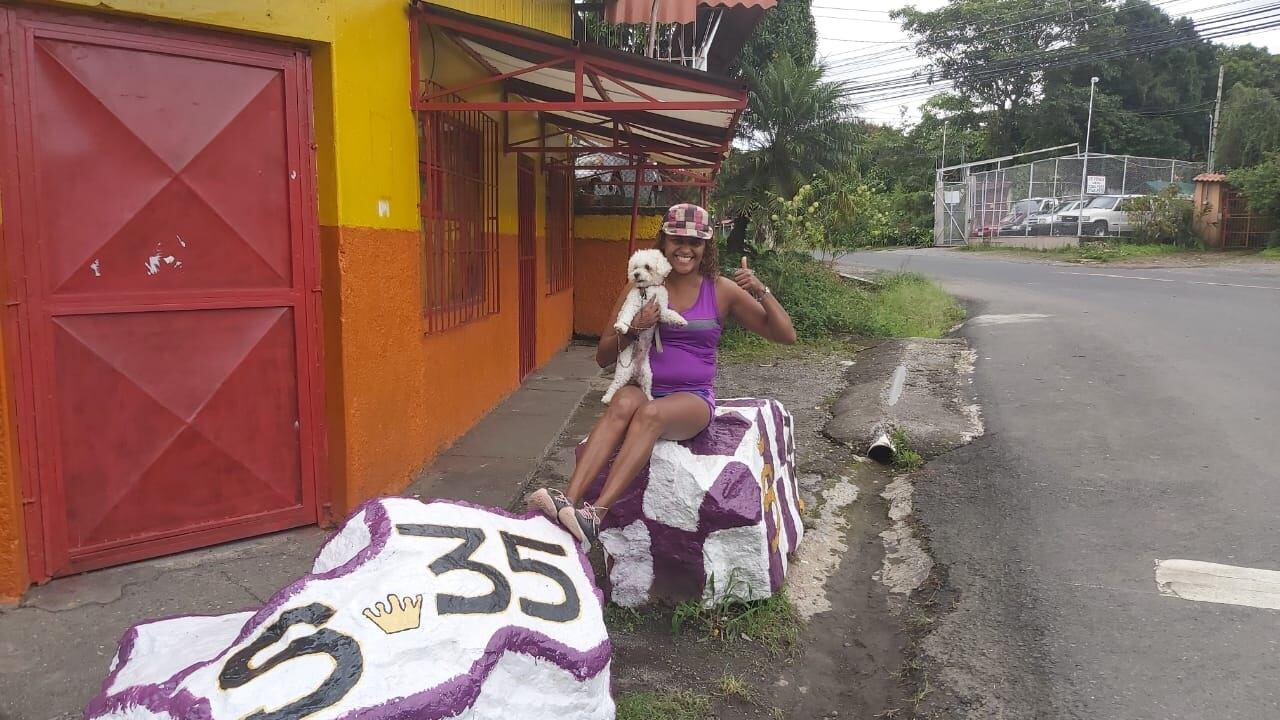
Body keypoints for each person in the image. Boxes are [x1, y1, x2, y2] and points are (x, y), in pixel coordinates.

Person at [527, 203, 797, 550]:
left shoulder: (721, 290)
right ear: (663, 242)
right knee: (624, 401)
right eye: (677, 240)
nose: (685, 248)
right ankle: (568, 501)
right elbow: (603, 356)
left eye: (695, 242)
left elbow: (785, 335)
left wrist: (760, 290)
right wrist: (635, 327)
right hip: (646, 388)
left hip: (692, 399)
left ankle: (596, 515)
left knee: (650, 414)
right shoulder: (640, 285)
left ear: (706, 247)